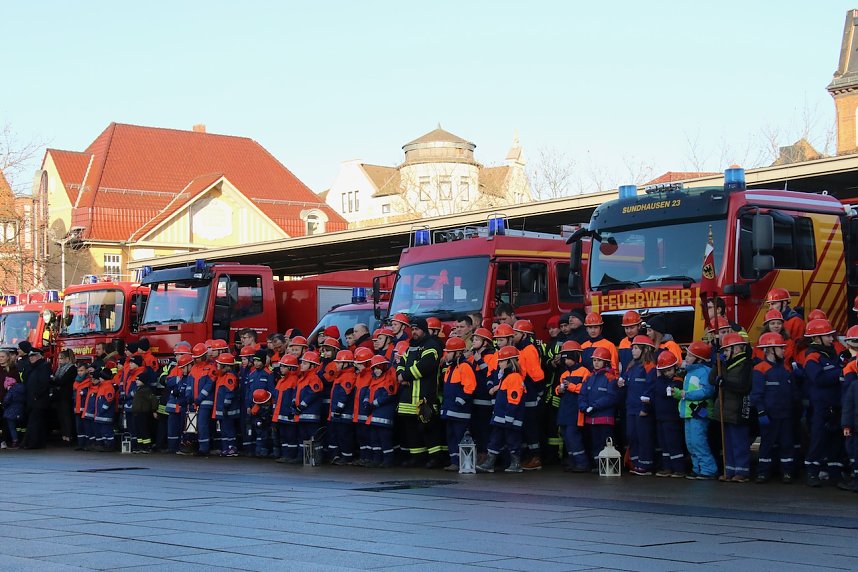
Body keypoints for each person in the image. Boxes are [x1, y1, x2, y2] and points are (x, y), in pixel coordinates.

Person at [395, 317, 444, 468]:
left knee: (428, 428)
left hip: (425, 397)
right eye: (413, 329)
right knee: (411, 430)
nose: (414, 332)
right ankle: (417, 457)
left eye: (417, 329)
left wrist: (405, 375)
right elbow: (402, 363)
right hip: (409, 398)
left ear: (424, 330)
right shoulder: (411, 346)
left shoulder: (432, 345)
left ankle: (436, 458)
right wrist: (400, 374)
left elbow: (426, 366)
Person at [803, 318, 846, 487]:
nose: (831, 339)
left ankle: (835, 473)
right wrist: (841, 372)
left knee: (836, 440)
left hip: (835, 404)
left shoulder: (833, 354)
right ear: (817, 338)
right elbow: (818, 378)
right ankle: (811, 473)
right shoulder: (812, 357)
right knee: (818, 440)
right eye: (828, 336)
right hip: (820, 406)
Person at [751, 333, 798, 484]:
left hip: (786, 415)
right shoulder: (760, 369)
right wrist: (761, 412)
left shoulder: (786, 369)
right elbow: (756, 395)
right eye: (780, 348)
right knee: (767, 445)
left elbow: (793, 393)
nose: (783, 351)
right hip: (769, 416)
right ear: (771, 349)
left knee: (786, 444)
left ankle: (787, 472)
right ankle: (763, 473)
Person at [476, 345, 527, 473]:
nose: (499, 364)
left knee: (512, 441)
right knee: (495, 440)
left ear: (510, 362)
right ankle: (490, 463)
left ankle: (515, 464)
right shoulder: (506, 377)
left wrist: (509, 419)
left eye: (502, 361)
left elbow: (513, 400)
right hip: (501, 418)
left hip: (509, 419)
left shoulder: (514, 377)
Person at [672, 343, 717, 480]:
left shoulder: (704, 371)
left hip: (699, 412)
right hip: (689, 412)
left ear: (699, 358)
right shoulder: (690, 372)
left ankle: (708, 469)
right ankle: (697, 468)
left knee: (698, 442)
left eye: (691, 355)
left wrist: (685, 394)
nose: (687, 357)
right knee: (691, 443)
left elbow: (707, 391)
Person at [512, 319, 546, 470]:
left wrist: (538, 393)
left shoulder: (529, 349)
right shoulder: (521, 348)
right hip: (525, 391)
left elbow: (536, 375)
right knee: (525, 426)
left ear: (524, 335)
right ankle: (529, 455)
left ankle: (535, 457)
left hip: (530, 392)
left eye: (516, 333)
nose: (513, 336)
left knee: (531, 427)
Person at [621, 335, 657, 476]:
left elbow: (650, 389)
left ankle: (645, 464)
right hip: (631, 407)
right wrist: (621, 382)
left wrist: (645, 408)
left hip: (641, 409)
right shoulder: (631, 366)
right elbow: (625, 380)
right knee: (632, 435)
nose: (633, 351)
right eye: (633, 348)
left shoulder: (649, 367)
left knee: (644, 437)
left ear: (645, 350)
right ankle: (635, 462)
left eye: (636, 348)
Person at [578, 346, 619, 470]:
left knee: (605, 443)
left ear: (605, 362)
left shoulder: (610, 377)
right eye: (594, 360)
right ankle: (598, 465)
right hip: (591, 418)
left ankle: (607, 467)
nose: (596, 363)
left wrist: (594, 406)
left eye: (599, 360)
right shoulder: (589, 377)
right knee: (595, 443)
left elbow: (611, 397)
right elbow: (582, 394)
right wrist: (583, 406)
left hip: (605, 418)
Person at [440, 337, 476, 471]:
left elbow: (470, 386)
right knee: (451, 436)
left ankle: (463, 463)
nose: (446, 355)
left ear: (457, 353)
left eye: (449, 352)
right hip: (450, 410)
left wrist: (459, 401)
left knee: (460, 436)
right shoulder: (451, 367)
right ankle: (454, 461)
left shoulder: (465, 366)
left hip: (460, 411)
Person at [555, 341, 589, 472]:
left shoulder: (584, 371)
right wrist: (559, 390)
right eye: (565, 358)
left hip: (575, 410)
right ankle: (573, 461)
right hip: (565, 409)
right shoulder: (564, 373)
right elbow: (558, 389)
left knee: (573, 436)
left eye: (569, 358)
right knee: (566, 436)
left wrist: (571, 387)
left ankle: (582, 462)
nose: (567, 361)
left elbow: (586, 389)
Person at [653, 350, 686, 478]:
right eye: (665, 370)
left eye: (669, 370)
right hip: (661, 417)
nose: (668, 373)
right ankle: (667, 467)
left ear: (675, 367)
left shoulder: (677, 380)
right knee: (664, 444)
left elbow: (664, 390)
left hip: (672, 417)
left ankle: (679, 468)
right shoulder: (660, 381)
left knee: (673, 443)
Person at [364, 355, 399, 468]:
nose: (376, 370)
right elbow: (367, 394)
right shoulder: (374, 380)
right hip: (374, 416)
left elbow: (388, 396)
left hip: (383, 416)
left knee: (385, 439)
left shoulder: (388, 380)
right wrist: (366, 403)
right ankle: (377, 459)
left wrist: (373, 404)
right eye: (374, 368)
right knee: (375, 439)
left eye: (378, 368)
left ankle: (388, 460)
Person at [469, 328, 497, 460]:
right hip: (474, 399)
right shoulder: (473, 356)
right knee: (476, 429)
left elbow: (489, 374)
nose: (473, 342)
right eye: (473, 339)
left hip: (485, 400)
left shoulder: (491, 356)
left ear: (485, 343)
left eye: (477, 339)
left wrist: (480, 361)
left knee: (485, 429)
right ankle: (480, 453)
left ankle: (485, 455)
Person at [295, 351, 324, 459]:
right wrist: (294, 403)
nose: (301, 365)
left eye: (305, 363)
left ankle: (314, 458)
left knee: (313, 437)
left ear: (312, 366)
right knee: (303, 437)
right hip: (302, 414)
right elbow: (297, 393)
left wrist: (301, 406)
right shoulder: (302, 378)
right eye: (302, 362)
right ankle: (304, 457)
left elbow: (313, 394)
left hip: (310, 415)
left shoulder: (314, 378)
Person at [328, 350, 356, 465]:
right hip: (337, 414)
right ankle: (335, 455)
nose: (337, 365)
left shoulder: (348, 376)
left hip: (343, 414)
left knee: (344, 436)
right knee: (336, 435)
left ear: (346, 364)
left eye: (339, 363)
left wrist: (339, 408)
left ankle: (346, 457)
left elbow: (345, 394)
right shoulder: (341, 376)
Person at [187, 344, 215, 456]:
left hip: (204, 402)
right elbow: (189, 384)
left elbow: (209, 385)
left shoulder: (210, 368)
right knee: (192, 425)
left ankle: (204, 448)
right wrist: (189, 396)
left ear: (204, 356)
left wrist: (199, 399)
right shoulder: (193, 368)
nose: (195, 359)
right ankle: (194, 446)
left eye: (197, 357)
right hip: (194, 402)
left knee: (203, 425)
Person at [273, 355, 301, 464]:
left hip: (288, 414)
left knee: (291, 436)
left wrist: (292, 411)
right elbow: (276, 399)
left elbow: (294, 398)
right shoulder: (281, 381)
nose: (281, 368)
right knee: (284, 436)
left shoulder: (294, 380)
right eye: (281, 366)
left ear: (291, 368)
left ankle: (291, 455)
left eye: (284, 366)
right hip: (280, 414)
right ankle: (285, 455)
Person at [22, 349, 51, 449]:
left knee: (34, 422)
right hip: (32, 400)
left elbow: (44, 383)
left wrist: (36, 395)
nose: (31, 358)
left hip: (39, 400)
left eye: (33, 355)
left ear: (40, 356)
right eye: (30, 356)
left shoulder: (43, 366)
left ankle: (31, 443)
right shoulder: (31, 367)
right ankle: (39, 443)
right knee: (38, 422)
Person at [212, 353, 240, 457]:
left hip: (228, 410)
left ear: (225, 366)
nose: (217, 366)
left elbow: (230, 393)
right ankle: (225, 448)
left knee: (229, 429)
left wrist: (225, 406)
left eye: (219, 364)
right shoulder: (221, 376)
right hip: (222, 410)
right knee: (223, 430)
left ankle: (232, 447)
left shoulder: (229, 377)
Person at [352, 347, 375, 466]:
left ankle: (369, 458)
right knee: (361, 437)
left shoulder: (371, 376)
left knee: (368, 436)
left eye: (360, 364)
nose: (357, 366)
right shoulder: (359, 375)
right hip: (358, 413)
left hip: (366, 412)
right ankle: (363, 457)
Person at [165, 355, 192, 454]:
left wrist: (179, 392)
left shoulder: (189, 378)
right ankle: (173, 448)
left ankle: (182, 447)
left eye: (183, 368)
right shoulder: (182, 378)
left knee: (183, 428)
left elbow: (187, 393)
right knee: (173, 428)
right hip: (178, 407)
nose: (182, 370)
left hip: (184, 407)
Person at [51, 349, 77, 445]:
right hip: (59, 396)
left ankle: (68, 436)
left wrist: (54, 379)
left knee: (66, 417)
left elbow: (63, 381)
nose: (59, 360)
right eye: (58, 359)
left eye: (61, 358)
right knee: (61, 417)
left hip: (66, 396)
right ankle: (64, 436)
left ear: (67, 359)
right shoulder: (59, 369)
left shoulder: (71, 368)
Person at [131, 366, 156, 453]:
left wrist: (154, 410)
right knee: (138, 430)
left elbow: (153, 400)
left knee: (144, 430)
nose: (136, 381)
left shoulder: (146, 390)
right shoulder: (139, 389)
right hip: (137, 413)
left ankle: (147, 446)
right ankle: (140, 446)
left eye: (138, 380)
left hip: (143, 413)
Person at [842, 363, 858, 492]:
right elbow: (849, 408)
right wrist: (847, 425)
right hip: (856, 428)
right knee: (854, 452)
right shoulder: (854, 386)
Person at [93, 369, 117, 451]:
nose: (99, 378)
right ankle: (105, 445)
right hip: (101, 415)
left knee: (107, 431)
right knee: (102, 431)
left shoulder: (108, 387)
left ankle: (110, 446)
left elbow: (109, 399)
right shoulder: (103, 386)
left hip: (105, 415)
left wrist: (102, 409)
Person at [72, 363, 92, 451]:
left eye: (82, 370)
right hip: (77, 408)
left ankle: (87, 444)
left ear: (86, 371)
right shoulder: (76, 382)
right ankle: (81, 444)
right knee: (79, 427)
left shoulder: (89, 382)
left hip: (85, 408)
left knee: (86, 427)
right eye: (78, 371)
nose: (79, 373)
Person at [617, 311, 643, 375]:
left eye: (632, 327)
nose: (629, 331)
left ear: (639, 326)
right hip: (624, 380)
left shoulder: (644, 341)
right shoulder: (622, 342)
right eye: (626, 328)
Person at [3, 376, 25, 448]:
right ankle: (22, 440)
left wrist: (4, 405)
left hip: (11, 412)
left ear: (9, 385)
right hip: (20, 410)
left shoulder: (11, 391)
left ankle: (15, 441)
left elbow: (6, 400)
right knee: (20, 427)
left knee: (12, 427)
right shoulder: (22, 389)